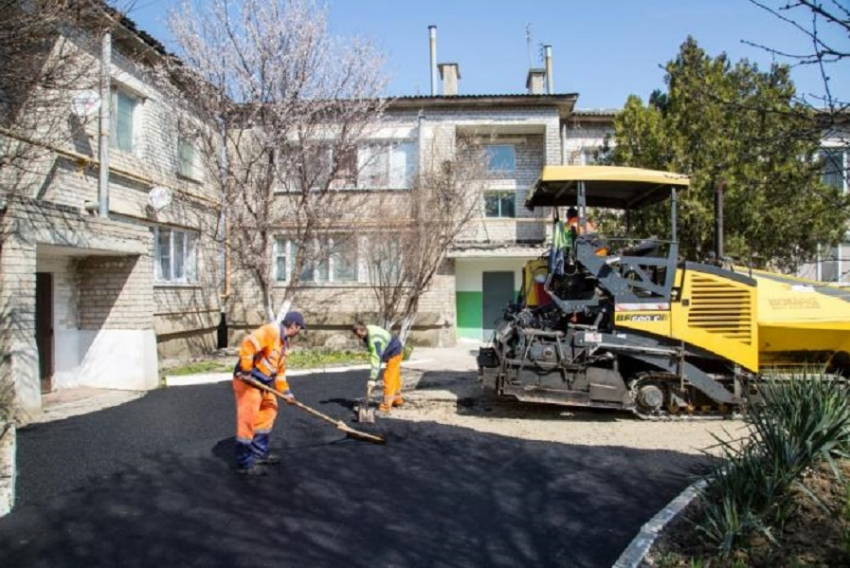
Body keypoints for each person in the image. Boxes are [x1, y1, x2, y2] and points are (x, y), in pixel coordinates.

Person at [232, 311, 306, 476]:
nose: (299, 332)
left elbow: (280, 374)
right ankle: (244, 463)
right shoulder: (271, 332)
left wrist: (287, 393)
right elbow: (248, 344)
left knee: (270, 410)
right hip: (248, 383)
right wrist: (246, 370)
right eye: (299, 328)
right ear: (293, 326)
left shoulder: (285, 344)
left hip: (264, 384)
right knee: (248, 421)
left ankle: (259, 453)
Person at [351, 321, 404, 414]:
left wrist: (372, 379)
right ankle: (397, 400)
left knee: (389, 378)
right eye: (357, 335)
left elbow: (376, 359)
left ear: (363, 330)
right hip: (393, 349)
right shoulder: (368, 330)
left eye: (360, 335)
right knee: (395, 377)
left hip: (394, 352)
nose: (359, 337)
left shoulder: (374, 340)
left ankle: (385, 407)